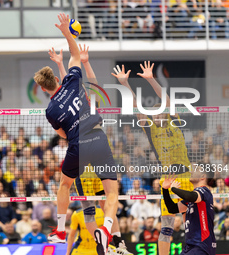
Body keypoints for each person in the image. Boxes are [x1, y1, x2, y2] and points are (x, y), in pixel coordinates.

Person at [36, 14, 118, 255]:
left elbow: (62, 134)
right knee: (111, 193)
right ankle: (108, 228)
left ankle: (60, 229)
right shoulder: (73, 82)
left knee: (64, 185)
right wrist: (66, 34)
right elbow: (74, 55)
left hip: (77, 145)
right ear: (57, 80)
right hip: (98, 137)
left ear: (43, 88)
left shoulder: (50, 110)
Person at [48, 44, 132, 255]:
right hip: (92, 151)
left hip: (84, 152)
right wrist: (74, 63)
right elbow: (74, 86)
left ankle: (116, 245)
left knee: (101, 204)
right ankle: (106, 245)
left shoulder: (83, 97)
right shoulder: (82, 97)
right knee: (99, 204)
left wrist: (79, 62)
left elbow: (76, 86)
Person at [112, 61, 194, 255]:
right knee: (166, 225)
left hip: (186, 177)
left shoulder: (174, 121)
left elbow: (165, 99)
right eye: (154, 114)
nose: (157, 116)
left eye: (160, 113)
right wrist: (125, 84)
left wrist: (151, 79)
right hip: (167, 180)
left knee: (190, 221)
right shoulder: (150, 129)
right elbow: (135, 105)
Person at [161, 166, 216, 255]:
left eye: (196, 169)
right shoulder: (192, 198)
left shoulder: (204, 191)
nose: (191, 172)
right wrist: (165, 189)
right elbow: (172, 208)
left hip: (201, 245)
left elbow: (192, 196)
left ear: (203, 176)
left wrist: (174, 189)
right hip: (190, 246)